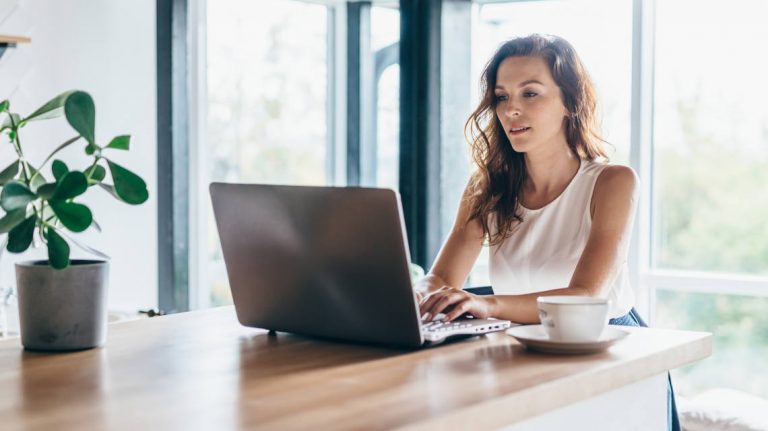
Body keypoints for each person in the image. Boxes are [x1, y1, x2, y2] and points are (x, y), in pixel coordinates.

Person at [414, 34, 680, 431]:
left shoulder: (612, 181)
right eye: (502, 97)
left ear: (570, 102)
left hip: (609, 351)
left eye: (531, 94)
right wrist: (413, 295)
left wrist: (488, 305)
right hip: (522, 348)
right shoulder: (485, 188)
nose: (511, 110)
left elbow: (586, 296)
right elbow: (440, 278)